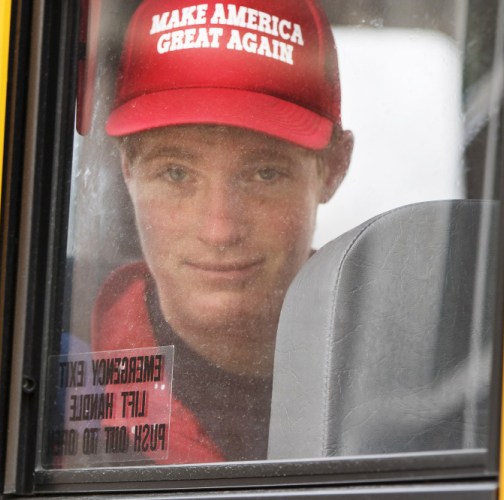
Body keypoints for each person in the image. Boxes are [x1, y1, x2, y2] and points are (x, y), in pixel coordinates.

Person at [91, 0, 353, 463]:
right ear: (127, 169)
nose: (220, 229)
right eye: (176, 173)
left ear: (333, 168)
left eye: (265, 174)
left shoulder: (410, 370)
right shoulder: (48, 362)